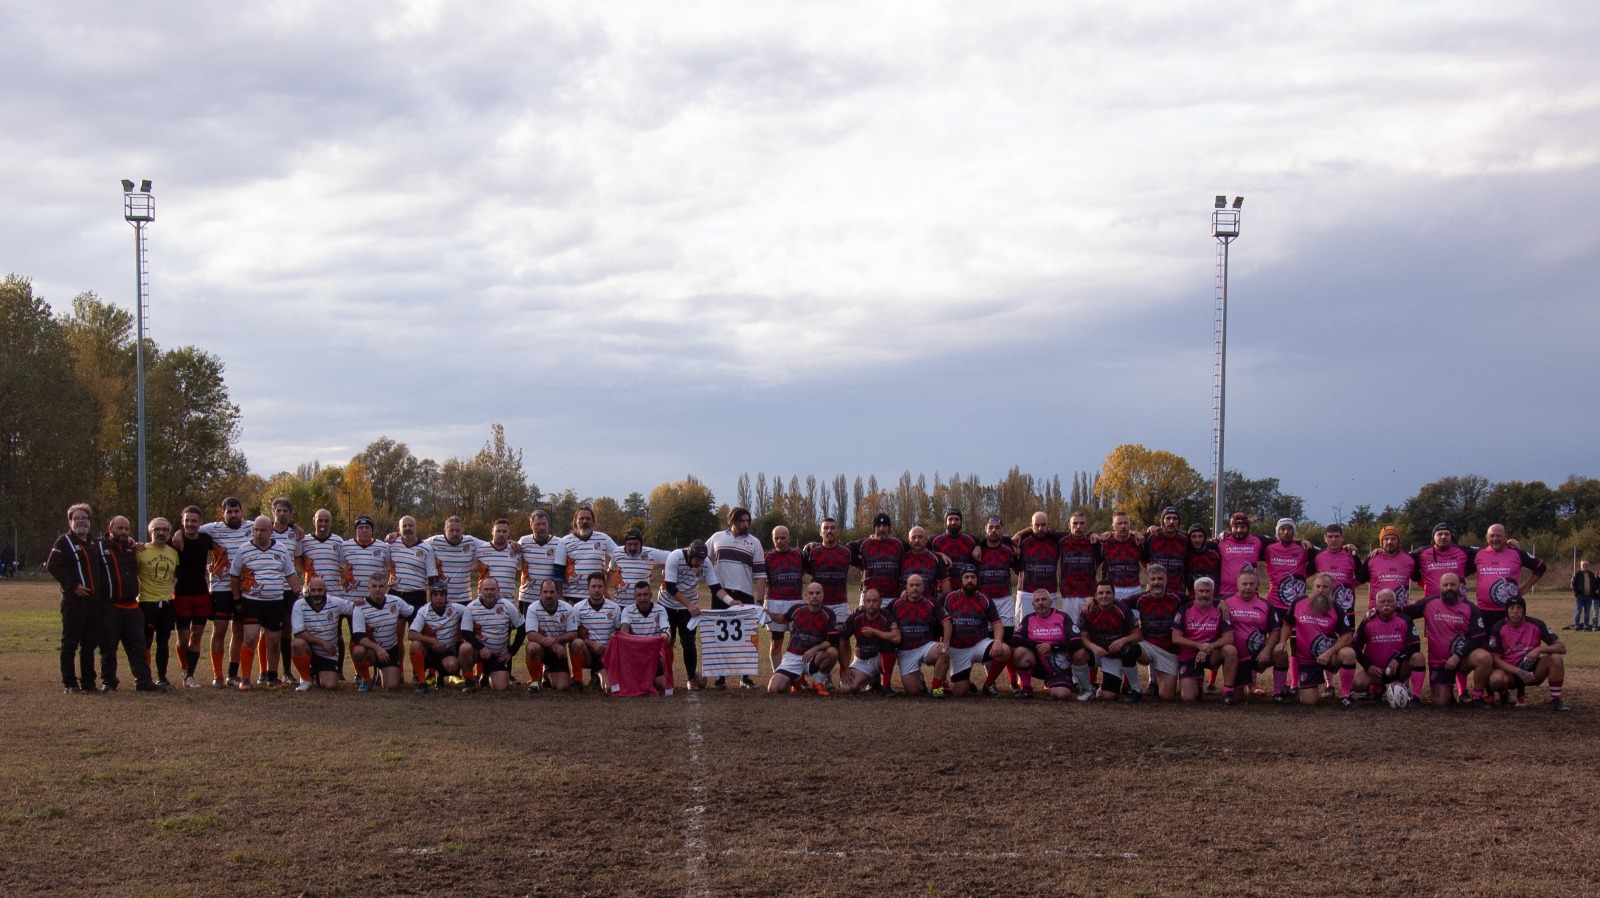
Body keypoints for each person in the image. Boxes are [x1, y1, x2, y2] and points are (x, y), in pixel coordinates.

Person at [231, 515, 303, 690]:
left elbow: (290, 574)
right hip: (251, 602)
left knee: (273, 640)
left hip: (274, 602)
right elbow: (234, 575)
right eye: (256, 529)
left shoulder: (281, 549)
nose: (258, 533)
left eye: (262, 530)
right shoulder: (244, 550)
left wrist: (299, 594)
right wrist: (237, 599)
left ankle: (273, 677)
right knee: (250, 637)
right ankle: (246, 679)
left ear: (271, 531)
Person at [1403, 572, 1492, 707]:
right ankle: (1449, 691)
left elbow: (1477, 639)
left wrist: (1458, 656)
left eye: (1453, 584)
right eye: (1445, 585)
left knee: (1484, 657)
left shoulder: (1470, 608)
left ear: (1459, 587)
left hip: (1462, 658)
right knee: (1440, 702)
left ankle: (1477, 697)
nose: (1449, 588)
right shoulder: (1430, 603)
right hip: (1439, 662)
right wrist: (1375, 611)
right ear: (1440, 587)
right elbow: (1403, 612)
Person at [48, 503, 110, 694]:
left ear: (89, 521)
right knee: (70, 644)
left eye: (84, 518)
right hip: (74, 603)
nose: (81, 521)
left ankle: (88, 683)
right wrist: (73, 587)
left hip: (94, 603)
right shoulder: (64, 542)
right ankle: (70, 683)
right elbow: (52, 566)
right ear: (70, 521)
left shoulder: (95, 542)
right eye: (77, 518)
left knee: (90, 644)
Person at [1282, 572, 1357, 707]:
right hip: (1307, 661)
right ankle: (1312, 684)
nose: (1320, 590)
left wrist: (1329, 653)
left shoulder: (1337, 609)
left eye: (1325, 587)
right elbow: (1287, 624)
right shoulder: (1298, 603)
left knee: (1348, 653)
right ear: (1313, 587)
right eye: (1318, 586)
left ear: (1331, 589)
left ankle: (1345, 694)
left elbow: (1347, 637)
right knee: (1309, 701)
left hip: (1329, 657)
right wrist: (1282, 642)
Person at [199, 497, 252, 687]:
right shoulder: (211, 529)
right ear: (223, 513)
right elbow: (189, 530)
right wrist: (178, 534)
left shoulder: (252, 527)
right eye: (229, 512)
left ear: (241, 511)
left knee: (239, 632)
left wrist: (295, 526)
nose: (233, 515)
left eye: (236, 511)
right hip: (221, 588)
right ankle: (217, 675)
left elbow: (276, 526)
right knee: (219, 630)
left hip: (244, 588)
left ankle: (232, 674)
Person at [935, 570, 1010, 697]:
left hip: (979, 644)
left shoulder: (985, 599)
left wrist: (997, 641)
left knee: (1005, 650)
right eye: (966, 577)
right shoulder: (947, 597)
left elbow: (997, 623)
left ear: (977, 580)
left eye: (973, 577)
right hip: (957, 649)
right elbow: (935, 617)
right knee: (959, 692)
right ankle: (963, 679)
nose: (970, 580)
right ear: (961, 580)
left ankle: (988, 684)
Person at [658, 540, 723, 687]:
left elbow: (715, 587)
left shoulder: (705, 563)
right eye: (697, 559)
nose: (700, 562)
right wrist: (689, 604)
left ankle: (691, 678)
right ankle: (665, 675)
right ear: (689, 554)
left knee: (688, 641)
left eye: (702, 559)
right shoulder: (675, 557)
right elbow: (671, 587)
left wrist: (732, 602)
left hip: (688, 608)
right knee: (667, 640)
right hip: (667, 605)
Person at [1487, 595, 1567, 710]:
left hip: (1532, 671)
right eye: (1512, 608)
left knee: (1556, 658)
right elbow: (1496, 660)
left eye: (1518, 607)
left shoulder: (1537, 624)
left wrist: (1539, 649)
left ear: (1523, 610)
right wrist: (1518, 671)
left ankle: (1556, 700)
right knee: (1495, 680)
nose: (1515, 611)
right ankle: (1504, 695)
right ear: (1507, 610)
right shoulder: (1498, 628)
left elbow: (1562, 648)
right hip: (1510, 672)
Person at [170, 506, 216, 688]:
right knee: (183, 638)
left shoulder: (205, 539)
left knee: (196, 636)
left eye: (194, 521)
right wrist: (177, 533)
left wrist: (213, 566)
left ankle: (190, 675)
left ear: (200, 523)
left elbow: (223, 548)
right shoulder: (173, 541)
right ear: (182, 521)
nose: (190, 524)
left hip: (202, 594)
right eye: (187, 520)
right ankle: (184, 668)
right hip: (181, 594)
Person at [1220, 569, 1282, 703]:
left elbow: (1275, 631)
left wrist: (1266, 650)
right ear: (1237, 584)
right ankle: (1232, 687)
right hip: (1236, 658)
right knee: (1237, 698)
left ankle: (1278, 693)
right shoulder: (1224, 602)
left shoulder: (1266, 605)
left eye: (1251, 584)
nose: (1248, 588)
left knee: (1280, 653)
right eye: (1244, 584)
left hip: (1258, 655)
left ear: (1257, 585)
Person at [1351, 588, 1423, 704]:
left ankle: (1416, 697)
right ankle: (1378, 688)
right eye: (1382, 601)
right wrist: (1368, 666)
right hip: (1376, 672)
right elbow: (1355, 647)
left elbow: (1415, 646)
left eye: (1389, 601)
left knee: (1418, 658)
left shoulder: (1405, 620)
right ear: (1376, 605)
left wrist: (1397, 659)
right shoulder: (1368, 622)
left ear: (1395, 604)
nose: (1386, 604)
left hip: (1399, 669)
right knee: (1357, 684)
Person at [767, 582, 839, 695]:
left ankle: (818, 683)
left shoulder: (829, 614)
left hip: (814, 657)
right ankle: (796, 679)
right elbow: (781, 619)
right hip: (793, 657)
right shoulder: (797, 609)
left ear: (823, 595)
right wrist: (767, 613)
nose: (814, 596)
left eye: (818, 593)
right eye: (811, 593)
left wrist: (814, 649)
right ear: (806, 595)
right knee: (773, 689)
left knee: (833, 652)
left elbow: (831, 641)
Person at [1471, 523, 1546, 631]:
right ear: (1486, 537)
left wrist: (1524, 588)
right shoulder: (1478, 554)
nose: (1495, 539)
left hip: (1509, 610)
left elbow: (1541, 567)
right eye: (1492, 536)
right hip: (1483, 611)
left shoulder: (1516, 553)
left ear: (1505, 537)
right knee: (1484, 645)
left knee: (1508, 644)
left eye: (1499, 536)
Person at [350, 571, 417, 692]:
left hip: (390, 650)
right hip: (371, 650)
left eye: (381, 586)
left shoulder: (396, 602)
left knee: (392, 687)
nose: (377, 589)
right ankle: (366, 679)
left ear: (386, 587)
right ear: (369, 587)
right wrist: (377, 648)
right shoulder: (360, 606)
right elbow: (358, 636)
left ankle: (383, 674)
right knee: (358, 650)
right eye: (374, 586)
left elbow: (415, 613)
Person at [1171, 578, 1235, 703]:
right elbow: (1175, 638)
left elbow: (1229, 637)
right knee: (1189, 698)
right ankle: (1198, 681)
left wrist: (1208, 647)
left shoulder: (1220, 609)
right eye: (1201, 591)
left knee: (1230, 650)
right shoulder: (1184, 609)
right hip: (1190, 655)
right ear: (1195, 592)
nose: (1204, 595)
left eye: (1207, 591)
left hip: (1211, 653)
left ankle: (1228, 691)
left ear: (1213, 592)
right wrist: (1199, 646)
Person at [1011, 590, 1083, 700]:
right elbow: (1016, 639)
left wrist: (1052, 648)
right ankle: (1026, 687)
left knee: (1062, 695)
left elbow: (1077, 641)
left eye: (1044, 599)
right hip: (1038, 663)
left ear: (1050, 602)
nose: (1040, 603)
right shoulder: (1029, 619)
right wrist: (1038, 646)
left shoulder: (1063, 617)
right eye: (1037, 600)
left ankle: (1056, 684)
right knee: (1019, 652)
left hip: (1059, 666)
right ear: (1033, 605)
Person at [1078, 580, 1143, 701]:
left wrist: (1123, 640)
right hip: (1095, 652)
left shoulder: (1123, 609)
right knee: (1078, 653)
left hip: (1113, 656)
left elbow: (1138, 635)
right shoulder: (1088, 610)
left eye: (1108, 593)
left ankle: (1134, 689)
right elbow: (1082, 637)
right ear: (1095, 596)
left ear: (1113, 595)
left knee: (1109, 696)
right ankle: (1087, 688)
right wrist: (1093, 647)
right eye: (1101, 593)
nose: (1104, 596)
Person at [459, 576, 524, 692]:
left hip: (498, 656)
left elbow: (522, 627)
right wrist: (481, 647)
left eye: (493, 589)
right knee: (465, 648)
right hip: (478, 653)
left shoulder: (507, 606)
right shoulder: (471, 607)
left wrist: (511, 651)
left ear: (498, 590)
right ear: (480, 590)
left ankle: (486, 675)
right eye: (486, 589)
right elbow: (465, 632)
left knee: (501, 687)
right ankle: (469, 681)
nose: (489, 592)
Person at [288, 576, 353, 692]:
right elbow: (299, 633)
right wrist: (323, 643)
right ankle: (306, 678)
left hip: (328, 654)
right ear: (308, 591)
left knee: (330, 686)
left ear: (325, 591)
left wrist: (362, 603)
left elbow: (354, 608)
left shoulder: (334, 602)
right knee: (297, 644)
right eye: (313, 590)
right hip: (310, 650)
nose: (316, 593)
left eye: (320, 590)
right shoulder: (299, 605)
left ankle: (317, 673)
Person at [136, 517, 180, 687]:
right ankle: (144, 678)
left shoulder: (173, 552)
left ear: (169, 532)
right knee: (145, 641)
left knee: (163, 642)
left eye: (164, 530)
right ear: (150, 532)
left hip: (167, 603)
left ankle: (162, 677)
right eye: (157, 529)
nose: (161, 533)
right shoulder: (141, 550)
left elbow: (175, 574)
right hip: (146, 603)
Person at [1131, 564, 1182, 701]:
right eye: (1153, 579)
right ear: (1148, 581)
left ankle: (1158, 681)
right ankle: (1133, 688)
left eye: (1160, 579)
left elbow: (1198, 602)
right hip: (1148, 646)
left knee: (1166, 696)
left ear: (1166, 580)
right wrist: (1092, 600)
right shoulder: (1141, 599)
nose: (1156, 582)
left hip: (1168, 650)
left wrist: (1220, 603)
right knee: (1129, 649)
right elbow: (1117, 603)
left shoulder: (1176, 598)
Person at [887, 574, 945, 695]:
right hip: (906, 651)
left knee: (944, 652)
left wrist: (946, 642)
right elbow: (879, 614)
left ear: (923, 587)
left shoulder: (931, 603)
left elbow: (947, 622)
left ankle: (936, 688)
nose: (914, 588)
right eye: (911, 585)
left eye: (918, 585)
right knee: (912, 691)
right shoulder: (896, 604)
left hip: (925, 646)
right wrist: (859, 610)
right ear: (906, 588)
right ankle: (919, 678)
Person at [836, 589, 900, 695]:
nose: (871, 604)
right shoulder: (856, 616)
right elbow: (842, 641)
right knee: (846, 689)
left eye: (875, 601)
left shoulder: (887, 616)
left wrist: (875, 632)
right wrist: (845, 668)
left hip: (879, 658)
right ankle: (872, 679)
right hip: (862, 661)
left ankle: (886, 685)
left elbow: (897, 638)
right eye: (868, 601)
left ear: (880, 601)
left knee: (888, 643)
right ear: (864, 602)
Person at [408, 579, 468, 692]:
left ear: (446, 597)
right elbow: (411, 634)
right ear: (431, 597)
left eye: (442, 594)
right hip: (429, 651)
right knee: (415, 645)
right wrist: (432, 641)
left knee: (452, 666)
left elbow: (472, 611)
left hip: (447, 652)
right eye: (435, 594)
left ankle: (441, 676)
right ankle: (422, 682)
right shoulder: (423, 611)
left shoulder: (455, 608)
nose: (439, 598)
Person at [569, 571, 624, 693]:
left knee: (609, 688)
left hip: (607, 654)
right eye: (593, 586)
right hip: (588, 653)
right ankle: (577, 680)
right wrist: (591, 644)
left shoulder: (614, 608)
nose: (597, 590)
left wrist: (611, 643)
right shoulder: (578, 608)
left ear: (604, 588)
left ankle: (598, 677)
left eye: (600, 586)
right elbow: (574, 634)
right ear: (588, 588)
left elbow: (619, 633)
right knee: (576, 643)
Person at [762, 525, 806, 674]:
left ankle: (798, 676)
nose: (780, 541)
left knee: (798, 641)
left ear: (789, 538)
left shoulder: (798, 555)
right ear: (773, 540)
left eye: (783, 537)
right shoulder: (767, 557)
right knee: (776, 641)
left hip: (796, 602)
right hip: (775, 602)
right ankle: (778, 673)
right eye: (776, 538)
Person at [523, 579, 577, 693]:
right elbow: (531, 634)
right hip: (541, 649)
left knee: (563, 687)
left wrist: (557, 639)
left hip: (558, 653)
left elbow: (573, 633)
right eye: (545, 592)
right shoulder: (533, 608)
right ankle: (534, 682)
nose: (548, 595)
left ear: (558, 593)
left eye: (552, 592)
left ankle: (547, 674)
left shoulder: (567, 608)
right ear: (540, 593)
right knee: (532, 647)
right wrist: (553, 645)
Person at [802, 517, 853, 629]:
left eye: (832, 528)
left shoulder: (846, 551)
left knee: (841, 640)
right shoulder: (812, 552)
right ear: (820, 532)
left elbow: (863, 565)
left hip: (840, 604)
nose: (829, 531)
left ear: (837, 531)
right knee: (818, 637)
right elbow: (801, 572)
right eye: (826, 528)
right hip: (818, 603)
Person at [560, 506, 618, 605]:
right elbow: (558, 570)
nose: (585, 521)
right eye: (581, 518)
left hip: (596, 597)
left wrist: (607, 582)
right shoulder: (565, 541)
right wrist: (560, 597)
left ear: (593, 521)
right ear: (575, 521)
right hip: (570, 598)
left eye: (588, 518)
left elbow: (618, 555)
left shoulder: (603, 539)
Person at [1312, 523, 1366, 620]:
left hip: (1346, 608)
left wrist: (1349, 585)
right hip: (1323, 608)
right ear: (1325, 538)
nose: (1333, 540)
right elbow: (1306, 573)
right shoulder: (1318, 555)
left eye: (1337, 536)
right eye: (1330, 537)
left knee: (1347, 635)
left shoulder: (1351, 556)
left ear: (1342, 538)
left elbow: (1362, 577)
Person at [425, 516, 485, 604]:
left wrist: (509, 543)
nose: (455, 533)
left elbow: (492, 545)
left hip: (464, 599)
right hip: (441, 599)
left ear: (462, 530)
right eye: (451, 530)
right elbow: (415, 545)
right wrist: (398, 536)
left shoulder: (471, 542)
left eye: (458, 530)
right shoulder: (434, 541)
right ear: (445, 530)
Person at [517, 510, 567, 613]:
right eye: (538, 524)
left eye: (544, 524)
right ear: (531, 525)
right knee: (526, 628)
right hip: (527, 597)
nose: (541, 527)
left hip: (549, 599)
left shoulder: (559, 543)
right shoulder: (523, 541)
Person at [1414, 522, 1476, 601]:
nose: (1443, 537)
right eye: (1439, 534)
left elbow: (1481, 559)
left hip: (1458, 602)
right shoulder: (1422, 553)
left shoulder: (1464, 551)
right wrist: (1419, 580)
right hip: (1431, 603)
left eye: (1446, 534)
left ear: (1451, 536)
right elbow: (1408, 564)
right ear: (1433, 536)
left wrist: (1463, 574)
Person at [1366, 525, 1418, 614]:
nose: (1390, 542)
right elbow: (1357, 580)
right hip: (1377, 612)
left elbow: (1420, 579)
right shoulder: (1372, 559)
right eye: (1386, 539)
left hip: (1401, 612)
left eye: (1394, 539)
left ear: (1398, 541)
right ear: (1381, 542)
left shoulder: (1409, 559)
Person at [610, 527, 668, 603]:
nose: (632, 548)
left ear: (641, 544)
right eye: (629, 544)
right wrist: (605, 590)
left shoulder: (651, 553)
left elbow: (673, 556)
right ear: (625, 543)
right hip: (620, 604)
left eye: (636, 544)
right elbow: (610, 571)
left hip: (642, 605)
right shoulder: (616, 553)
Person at [476, 519, 526, 606]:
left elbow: (522, 568)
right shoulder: (480, 549)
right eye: (498, 531)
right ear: (492, 531)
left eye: (504, 531)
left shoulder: (516, 550)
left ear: (508, 533)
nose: (501, 534)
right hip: (485, 603)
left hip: (509, 603)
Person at [1217, 512, 1266, 599]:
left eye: (1243, 527)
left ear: (1247, 528)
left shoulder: (1257, 541)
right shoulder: (1221, 541)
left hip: (1250, 591)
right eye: (1235, 527)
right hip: (1226, 592)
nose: (1239, 530)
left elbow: (1281, 542)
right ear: (1231, 528)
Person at [1141, 508, 1190, 597]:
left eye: (1175, 518)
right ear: (1162, 521)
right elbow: (1142, 559)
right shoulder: (1150, 537)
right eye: (1168, 518)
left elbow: (1201, 542)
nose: (1171, 521)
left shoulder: (1185, 539)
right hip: (1154, 591)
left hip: (1177, 592)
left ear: (1178, 522)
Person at [1101, 511, 1144, 602]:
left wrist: (1134, 533)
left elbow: (1147, 563)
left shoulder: (1138, 542)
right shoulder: (1105, 543)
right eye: (1119, 523)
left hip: (1134, 588)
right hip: (1112, 589)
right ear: (1113, 526)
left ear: (1129, 524)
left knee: (1134, 616)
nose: (1123, 526)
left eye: (1125, 523)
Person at [930, 509, 977, 588]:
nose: (953, 522)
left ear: (961, 521)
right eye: (950, 519)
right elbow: (922, 551)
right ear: (946, 521)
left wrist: (979, 546)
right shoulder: (934, 540)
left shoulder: (971, 540)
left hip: (966, 588)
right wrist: (939, 554)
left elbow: (989, 542)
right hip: (942, 588)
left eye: (957, 519)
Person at [1184, 525, 1221, 598]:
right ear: (1189, 538)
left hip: (1213, 596)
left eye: (1200, 536)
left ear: (1204, 538)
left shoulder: (1214, 552)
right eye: (1194, 536)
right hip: (1192, 597)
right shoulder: (1186, 553)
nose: (1197, 540)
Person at [1573, 560, 1597, 632]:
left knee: (1587, 612)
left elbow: (1594, 584)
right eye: (1583, 565)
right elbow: (1573, 584)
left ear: (1588, 566)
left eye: (1586, 565)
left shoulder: (1591, 574)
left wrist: (1593, 593)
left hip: (1589, 596)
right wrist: (1575, 593)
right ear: (1581, 566)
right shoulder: (1577, 574)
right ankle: (1576, 625)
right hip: (1580, 596)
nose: (1585, 566)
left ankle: (1586, 625)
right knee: (1578, 611)